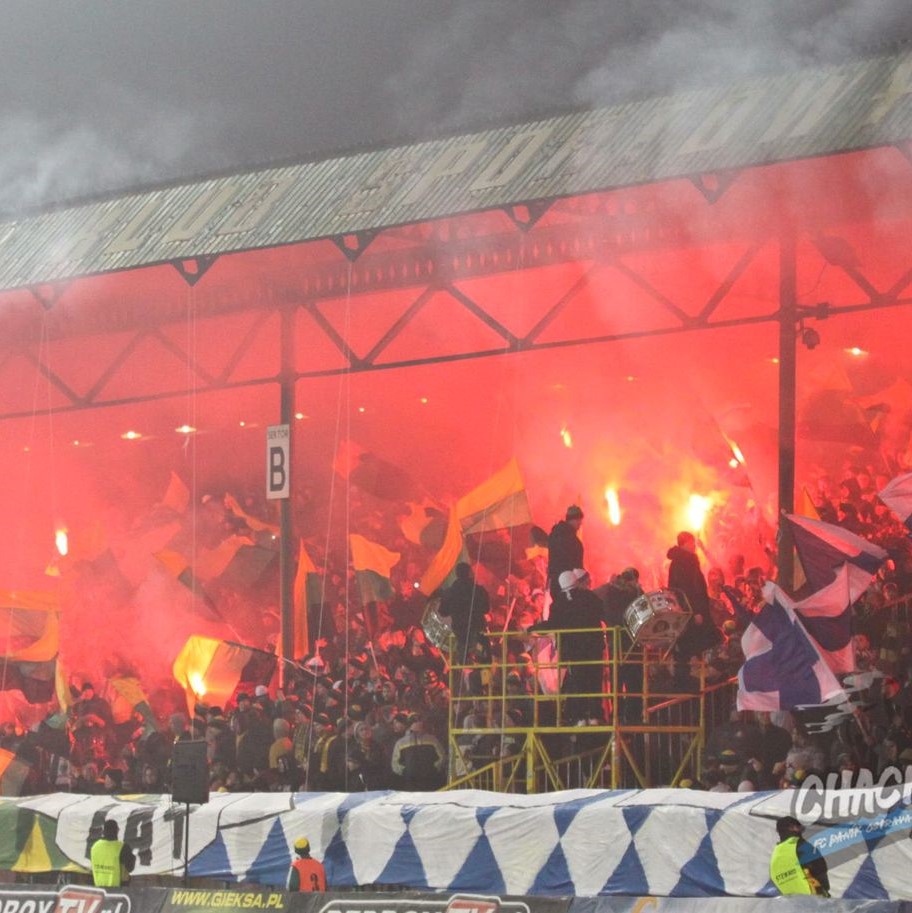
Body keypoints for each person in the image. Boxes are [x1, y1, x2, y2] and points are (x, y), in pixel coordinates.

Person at [555, 569, 606, 723]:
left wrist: (533, 629)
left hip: (574, 652)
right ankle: (595, 715)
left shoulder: (561, 602)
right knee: (594, 681)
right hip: (593, 649)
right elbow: (603, 613)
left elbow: (554, 623)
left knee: (578, 682)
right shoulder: (591, 598)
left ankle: (580, 717)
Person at [439, 562, 490, 664]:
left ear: (457, 574)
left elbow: (443, 611)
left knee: (464, 663)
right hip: (477, 630)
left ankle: (465, 674)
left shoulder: (450, 592)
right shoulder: (479, 590)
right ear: (469, 573)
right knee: (482, 662)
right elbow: (486, 609)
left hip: (460, 633)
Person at [769, 816, 829, 896]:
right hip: (814, 898)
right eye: (798, 827)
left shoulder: (776, 853)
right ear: (793, 828)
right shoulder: (803, 846)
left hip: (792, 902)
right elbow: (820, 868)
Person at [547, 506, 585, 601]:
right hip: (570, 585)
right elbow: (576, 566)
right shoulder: (572, 541)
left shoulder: (554, 535)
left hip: (555, 582)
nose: (580, 523)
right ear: (573, 519)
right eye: (579, 520)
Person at [90, 819, 136, 887]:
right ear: (117, 830)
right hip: (119, 889)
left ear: (103, 831)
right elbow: (130, 867)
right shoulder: (122, 847)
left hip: (98, 887)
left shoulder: (95, 847)